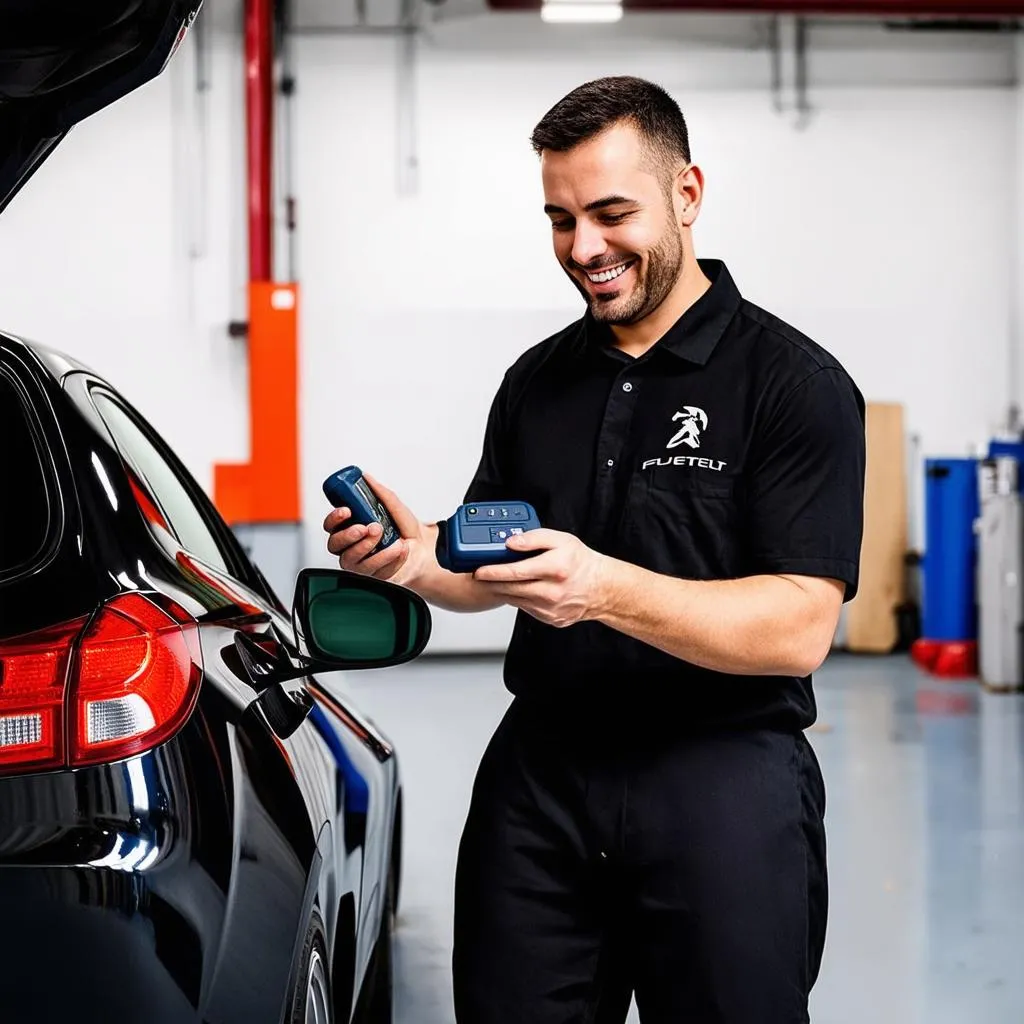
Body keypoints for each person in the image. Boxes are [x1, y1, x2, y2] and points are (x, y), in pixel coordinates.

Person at [324, 75, 865, 1024]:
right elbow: (493, 571)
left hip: (722, 778)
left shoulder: (793, 386)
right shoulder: (536, 382)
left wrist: (603, 588)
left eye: (613, 214)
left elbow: (798, 626)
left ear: (688, 195)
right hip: (542, 777)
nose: (584, 249)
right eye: (560, 219)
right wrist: (415, 563)